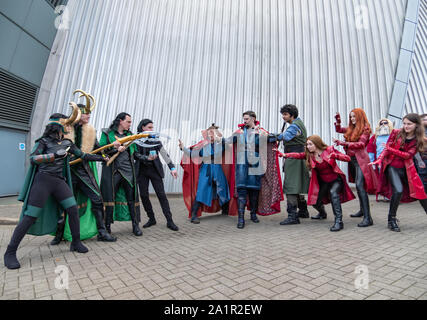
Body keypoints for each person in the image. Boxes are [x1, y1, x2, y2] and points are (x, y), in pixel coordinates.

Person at [4, 106, 107, 269]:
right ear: (57, 126)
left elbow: (83, 156)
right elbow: (33, 158)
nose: (68, 127)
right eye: (65, 124)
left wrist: (101, 158)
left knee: (72, 209)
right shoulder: (43, 142)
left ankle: (76, 242)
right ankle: (10, 252)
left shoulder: (67, 143)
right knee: (30, 216)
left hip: (59, 181)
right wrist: (52, 156)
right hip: (43, 181)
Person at [51, 91, 116, 244]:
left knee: (97, 199)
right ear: (77, 114)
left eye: (89, 114)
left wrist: (114, 148)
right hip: (67, 172)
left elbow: (101, 149)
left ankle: (102, 232)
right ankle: (59, 234)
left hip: (84, 171)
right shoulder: (64, 129)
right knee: (64, 203)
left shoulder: (90, 131)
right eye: (86, 114)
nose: (89, 116)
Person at [275, 135, 355, 231]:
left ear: (316, 144)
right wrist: (285, 155)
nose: (308, 146)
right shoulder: (310, 155)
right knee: (315, 201)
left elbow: (347, 158)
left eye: (310, 144)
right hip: (323, 182)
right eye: (307, 144)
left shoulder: (329, 150)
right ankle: (322, 213)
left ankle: (339, 222)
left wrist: (336, 155)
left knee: (334, 194)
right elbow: (299, 155)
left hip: (335, 180)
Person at [370, 113, 427, 232]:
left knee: (420, 192)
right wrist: (379, 160)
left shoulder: (419, 139)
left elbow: (407, 155)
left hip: (408, 168)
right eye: (404, 123)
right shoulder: (396, 133)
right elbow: (386, 150)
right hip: (392, 166)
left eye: (409, 124)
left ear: (416, 125)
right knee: (398, 190)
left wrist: (391, 149)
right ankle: (391, 219)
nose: (406, 126)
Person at [227, 111, 283, 229]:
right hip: (242, 162)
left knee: (254, 191)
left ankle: (253, 214)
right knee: (241, 189)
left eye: (246, 119)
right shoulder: (239, 132)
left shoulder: (261, 132)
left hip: (255, 162)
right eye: (244, 119)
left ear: (253, 118)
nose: (244, 121)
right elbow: (228, 141)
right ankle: (241, 219)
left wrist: (281, 136)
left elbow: (272, 138)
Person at [180, 124, 235, 224]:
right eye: (210, 133)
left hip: (217, 168)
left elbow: (231, 143)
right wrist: (183, 148)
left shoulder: (221, 143)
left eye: (213, 133)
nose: (211, 135)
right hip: (206, 169)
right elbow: (193, 154)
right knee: (202, 190)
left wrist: (221, 138)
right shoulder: (203, 145)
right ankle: (194, 215)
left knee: (222, 188)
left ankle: (225, 209)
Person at [100, 113, 143, 236]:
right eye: (128, 122)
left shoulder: (130, 135)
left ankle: (135, 225)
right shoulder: (107, 133)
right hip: (112, 171)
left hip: (128, 171)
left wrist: (146, 158)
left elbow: (134, 153)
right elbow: (101, 150)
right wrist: (115, 149)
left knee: (131, 198)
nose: (130, 124)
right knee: (109, 198)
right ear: (120, 121)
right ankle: (107, 227)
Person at [334, 108, 377, 226]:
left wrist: (344, 143)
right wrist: (338, 120)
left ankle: (368, 218)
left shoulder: (365, 129)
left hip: (361, 160)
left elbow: (361, 144)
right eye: (351, 117)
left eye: (354, 116)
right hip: (352, 160)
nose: (352, 119)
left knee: (359, 185)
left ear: (360, 116)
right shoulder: (351, 128)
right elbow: (338, 129)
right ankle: (363, 211)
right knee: (359, 186)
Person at [134, 119, 179, 231]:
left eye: (152, 127)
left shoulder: (155, 139)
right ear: (143, 128)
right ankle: (151, 218)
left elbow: (164, 154)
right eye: (149, 127)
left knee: (161, 195)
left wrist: (172, 168)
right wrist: (145, 158)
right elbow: (134, 154)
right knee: (144, 196)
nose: (152, 130)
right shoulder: (135, 140)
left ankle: (170, 221)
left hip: (155, 170)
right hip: (141, 172)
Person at [274, 105, 310, 224]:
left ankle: (292, 215)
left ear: (292, 115)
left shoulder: (294, 126)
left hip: (294, 159)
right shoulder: (299, 123)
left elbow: (286, 136)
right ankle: (303, 211)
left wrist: (269, 135)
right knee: (297, 185)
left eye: (285, 114)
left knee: (291, 186)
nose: (283, 117)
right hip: (297, 157)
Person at [366, 118, 393, 201]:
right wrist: (372, 162)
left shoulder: (393, 135)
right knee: (383, 177)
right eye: (381, 123)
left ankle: (393, 194)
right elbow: (370, 150)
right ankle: (386, 194)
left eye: (385, 123)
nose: (383, 125)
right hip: (380, 161)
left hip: (392, 160)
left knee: (392, 177)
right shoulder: (375, 137)